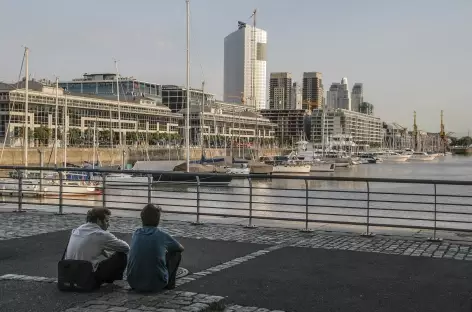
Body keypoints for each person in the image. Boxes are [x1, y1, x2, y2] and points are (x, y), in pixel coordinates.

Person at [64, 207, 130, 287]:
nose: (108, 224)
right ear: (99, 221)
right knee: (121, 255)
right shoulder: (101, 234)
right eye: (107, 221)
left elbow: (89, 245)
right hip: (88, 279)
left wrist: (103, 251)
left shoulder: (77, 230)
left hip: (69, 276)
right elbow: (125, 247)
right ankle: (114, 284)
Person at [127, 204, 184, 292]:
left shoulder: (136, 233)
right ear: (158, 219)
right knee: (176, 253)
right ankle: (170, 284)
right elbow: (180, 248)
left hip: (133, 282)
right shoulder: (161, 234)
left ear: (142, 218)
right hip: (156, 284)